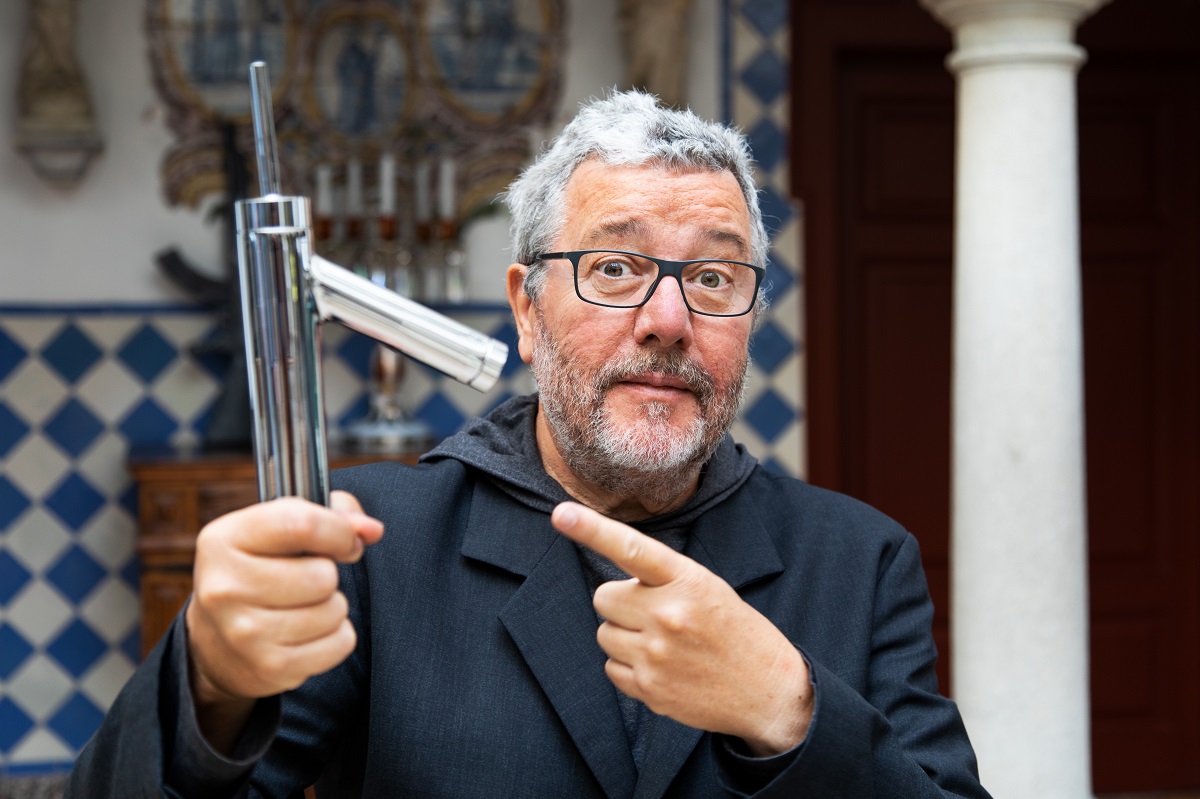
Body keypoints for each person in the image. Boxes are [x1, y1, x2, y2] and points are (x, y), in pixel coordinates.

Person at [70, 90, 990, 798]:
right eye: (616, 267)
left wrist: (789, 709)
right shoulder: (370, 547)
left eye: (713, 275)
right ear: (525, 307)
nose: (667, 319)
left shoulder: (861, 562)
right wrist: (211, 683)